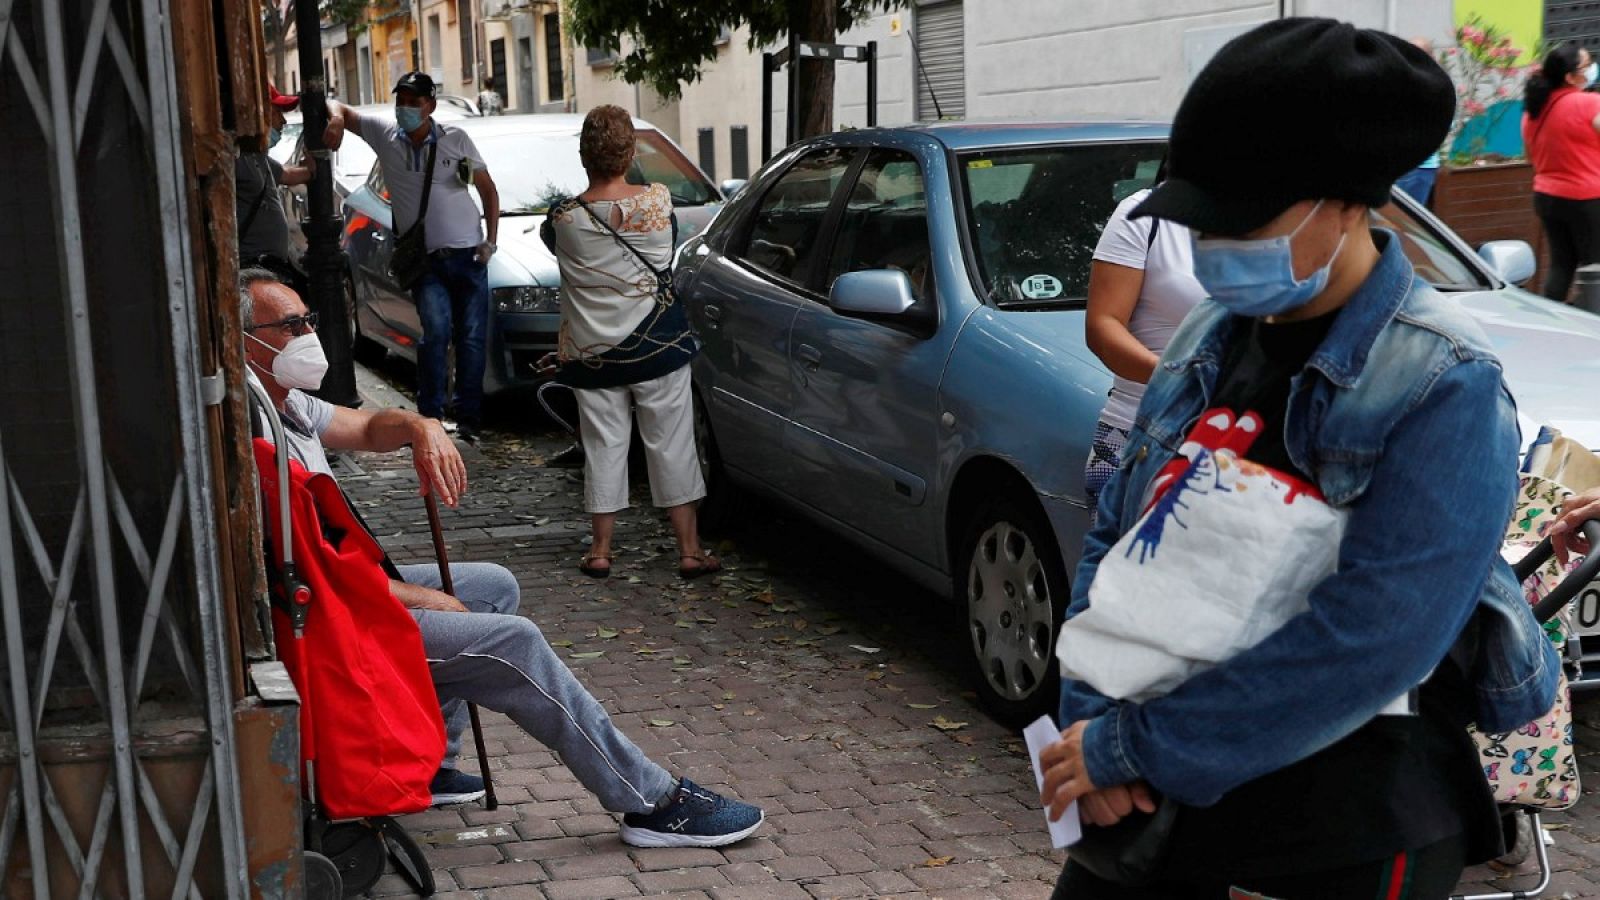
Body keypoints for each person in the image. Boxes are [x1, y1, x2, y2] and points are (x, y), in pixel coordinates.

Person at [1039, 19, 1559, 898]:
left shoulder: (1443, 382)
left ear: (1348, 205)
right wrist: (1089, 725)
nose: (1212, 248)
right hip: (1158, 795)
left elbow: (1375, 636)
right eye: (1197, 222)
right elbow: (1118, 536)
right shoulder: (1206, 337)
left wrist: (1132, 747)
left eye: (1240, 221)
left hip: (1342, 821)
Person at [241, 267, 764, 846]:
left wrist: (419, 425)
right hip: (331, 614)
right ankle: (649, 801)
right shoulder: (251, 429)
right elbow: (305, 571)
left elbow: (365, 427)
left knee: (491, 586)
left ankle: (429, 765)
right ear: (244, 342)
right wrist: (418, 596)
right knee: (513, 640)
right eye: (290, 326)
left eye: (309, 320)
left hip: (345, 588)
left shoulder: (287, 402)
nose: (308, 334)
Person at [539, 105, 717, 581]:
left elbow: (555, 248)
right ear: (630, 153)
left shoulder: (562, 219)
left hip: (594, 357)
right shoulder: (658, 202)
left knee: (603, 447)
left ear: (584, 156)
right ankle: (689, 550)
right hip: (659, 348)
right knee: (673, 444)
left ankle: (600, 550)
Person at [323, 71, 500, 442]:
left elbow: (487, 189)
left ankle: (469, 420)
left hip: (469, 256)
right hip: (426, 261)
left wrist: (491, 241)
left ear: (430, 106)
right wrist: (337, 121)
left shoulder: (456, 140)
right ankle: (430, 416)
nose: (404, 108)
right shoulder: (385, 135)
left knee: (470, 339)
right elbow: (337, 105)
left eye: (413, 102)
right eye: (400, 101)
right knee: (435, 332)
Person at [1081, 165, 1206, 517]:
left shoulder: (1282, 219)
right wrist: (1182, 379)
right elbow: (1103, 327)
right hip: (1141, 438)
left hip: (1243, 443)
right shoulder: (1145, 215)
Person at [1523, 44, 1600, 303]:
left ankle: (1551, 315)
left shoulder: (1534, 110)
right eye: (1587, 65)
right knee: (1594, 268)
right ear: (1570, 76)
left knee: (1561, 264)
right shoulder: (1589, 103)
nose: (1592, 69)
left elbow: (1530, 157)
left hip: (1547, 197)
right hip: (1588, 199)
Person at [237, 84, 313, 283]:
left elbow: (286, 174)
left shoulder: (258, 157)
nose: (283, 121)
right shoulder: (238, 158)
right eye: (277, 112)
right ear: (259, 113)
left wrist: (312, 169)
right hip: (253, 269)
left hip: (269, 268)